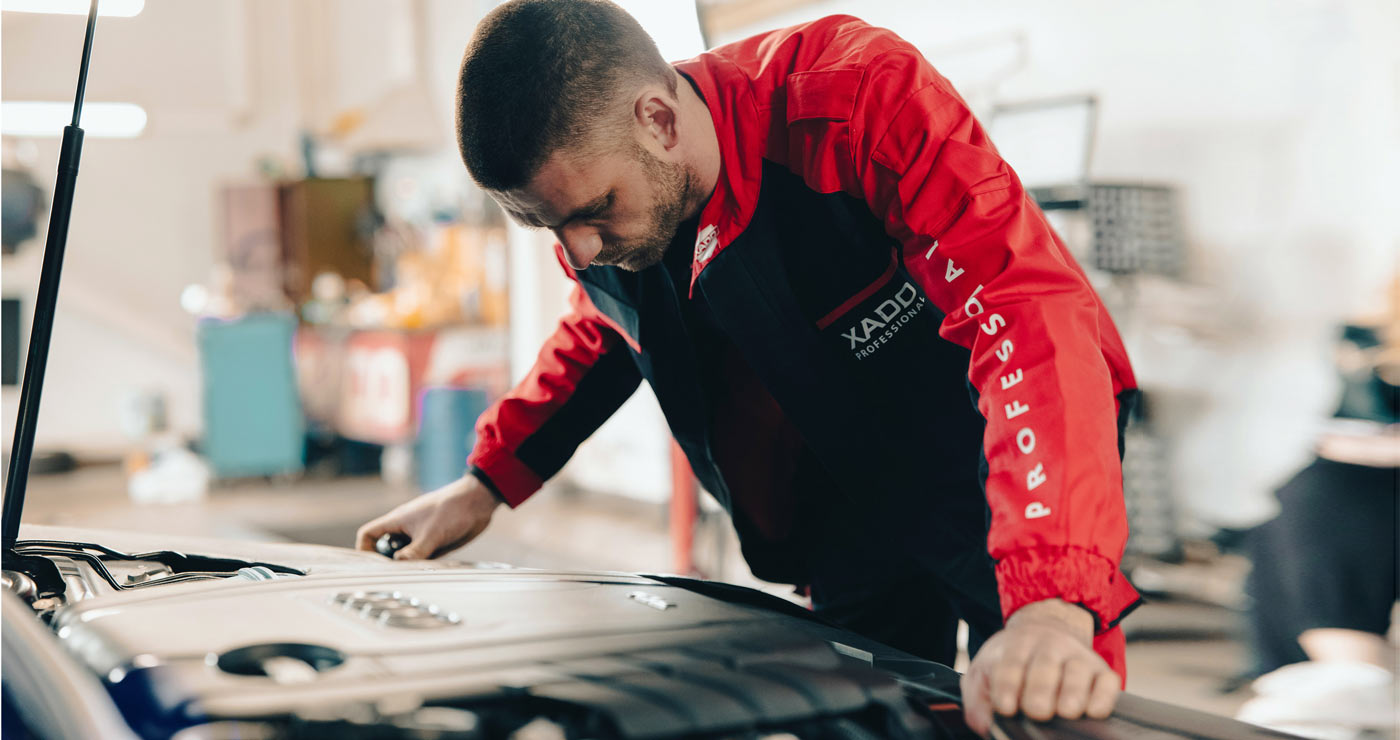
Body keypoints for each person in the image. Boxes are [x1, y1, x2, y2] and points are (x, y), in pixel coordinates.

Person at [357, 1, 1142, 733]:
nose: (580, 250)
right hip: (846, 501)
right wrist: (485, 483)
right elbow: (604, 329)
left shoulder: (848, 97)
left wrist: (1051, 602)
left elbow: (1023, 309)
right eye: (551, 228)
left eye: (594, 211)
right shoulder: (616, 214)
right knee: (866, 714)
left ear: (657, 120)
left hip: (1002, 470)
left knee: (1041, 705)